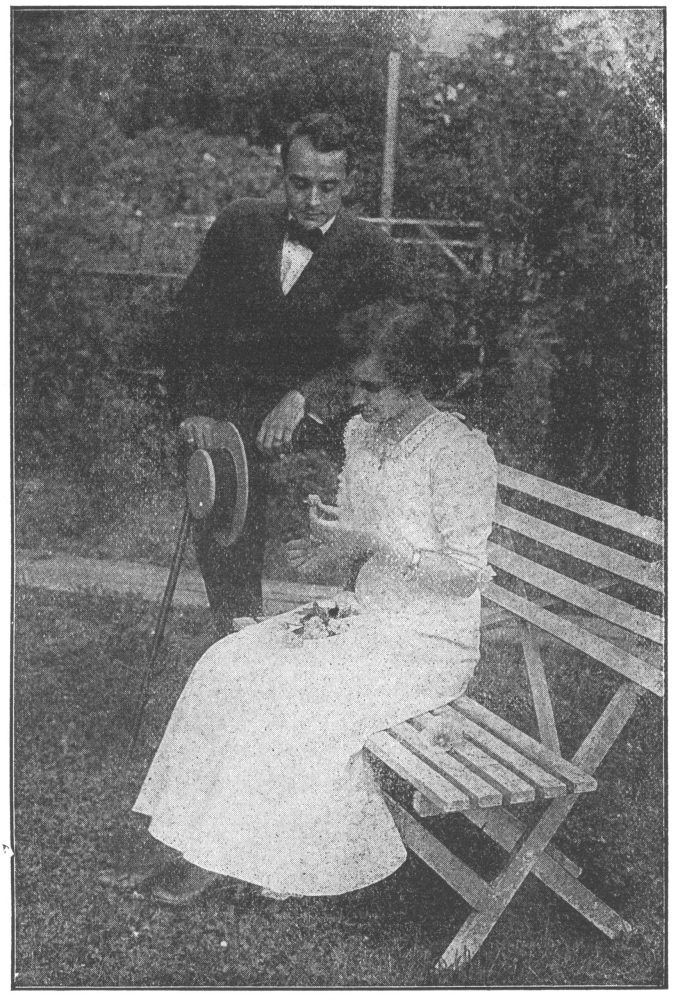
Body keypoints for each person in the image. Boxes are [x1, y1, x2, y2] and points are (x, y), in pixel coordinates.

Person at [103, 300, 497, 904]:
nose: (357, 400)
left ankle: (217, 859)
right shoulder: (362, 435)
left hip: (427, 644)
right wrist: (328, 544)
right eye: (354, 384)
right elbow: (360, 532)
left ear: (418, 381)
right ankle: (186, 841)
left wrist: (376, 543)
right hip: (365, 616)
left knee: (285, 692)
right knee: (228, 662)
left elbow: (465, 578)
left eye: (373, 387)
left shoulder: (458, 453)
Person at [163, 112, 401, 635]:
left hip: (324, 430)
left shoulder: (374, 252)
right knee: (222, 501)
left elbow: (380, 353)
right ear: (282, 174)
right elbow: (188, 324)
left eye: (328, 187)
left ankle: (329, 650)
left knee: (340, 543)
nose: (312, 200)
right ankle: (236, 635)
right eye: (300, 183)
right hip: (228, 425)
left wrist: (305, 397)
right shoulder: (240, 224)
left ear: (349, 182)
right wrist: (194, 408)